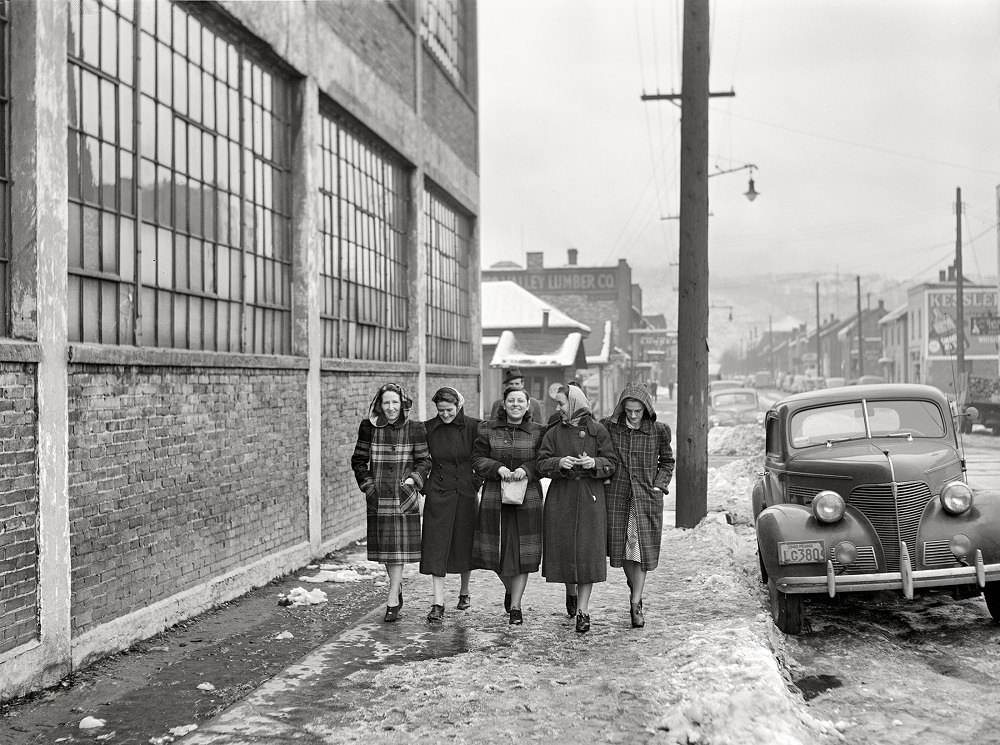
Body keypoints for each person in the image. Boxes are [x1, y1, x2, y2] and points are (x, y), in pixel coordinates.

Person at [537, 384, 617, 633]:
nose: (558, 409)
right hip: (562, 497)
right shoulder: (553, 433)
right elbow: (540, 463)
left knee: (587, 555)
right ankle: (570, 590)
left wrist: (595, 462)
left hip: (591, 497)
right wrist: (559, 462)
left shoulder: (598, 431)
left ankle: (583, 610)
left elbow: (612, 463)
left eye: (561, 403)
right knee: (565, 550)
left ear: (574, 403)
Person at [351, 383, 432, 623]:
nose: (390, 407)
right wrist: (369, 486)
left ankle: (392, 598)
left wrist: (412, 480)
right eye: (386, 403)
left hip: (403, 495)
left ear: (403, 404)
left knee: (397, 551)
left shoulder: (415, 428)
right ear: (379, 404)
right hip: (379, 495)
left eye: (395, 402)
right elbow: (358, 460)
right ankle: (395, 588)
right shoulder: (369, 427)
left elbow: (424, 460)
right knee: (387, 551)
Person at [600, 382, 675, 629]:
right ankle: (635, 589)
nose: (633, 415)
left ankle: (635, 603)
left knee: (639, 550)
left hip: (645, 498)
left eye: (638, 411)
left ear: (647, 409)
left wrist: (658, 484)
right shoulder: (609, 427)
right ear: (622, 408)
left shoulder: (659, 431)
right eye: (629, 410)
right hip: (618, 496)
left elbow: (667, 461)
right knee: (624, 551)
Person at [471, 386, 545, 625]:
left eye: (520, 401)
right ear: (503, 404)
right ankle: (510, 589)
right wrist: (497, 468)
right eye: (511, 400)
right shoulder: (488, 430)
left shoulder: (538, 432)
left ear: (528, 405)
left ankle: (516, 606)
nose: (515, 404)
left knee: (524, 552)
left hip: (528, 497)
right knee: (495, 552)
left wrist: (527, 469)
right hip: (495, 496)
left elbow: (544, 461)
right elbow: (476, 459)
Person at [420, 387, 482, 623]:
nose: (445, 415)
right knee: (436, 547)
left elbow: (482, 457)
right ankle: (438, 603)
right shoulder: (428, 429)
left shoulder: (474, 427)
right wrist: (427, 487)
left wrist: (475, 482)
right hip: (439, 493)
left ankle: (464, 590)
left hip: (465, 493)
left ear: (459, 406)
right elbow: (421, 459)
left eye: (449, 410)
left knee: (464, 544)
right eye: (441, 410)